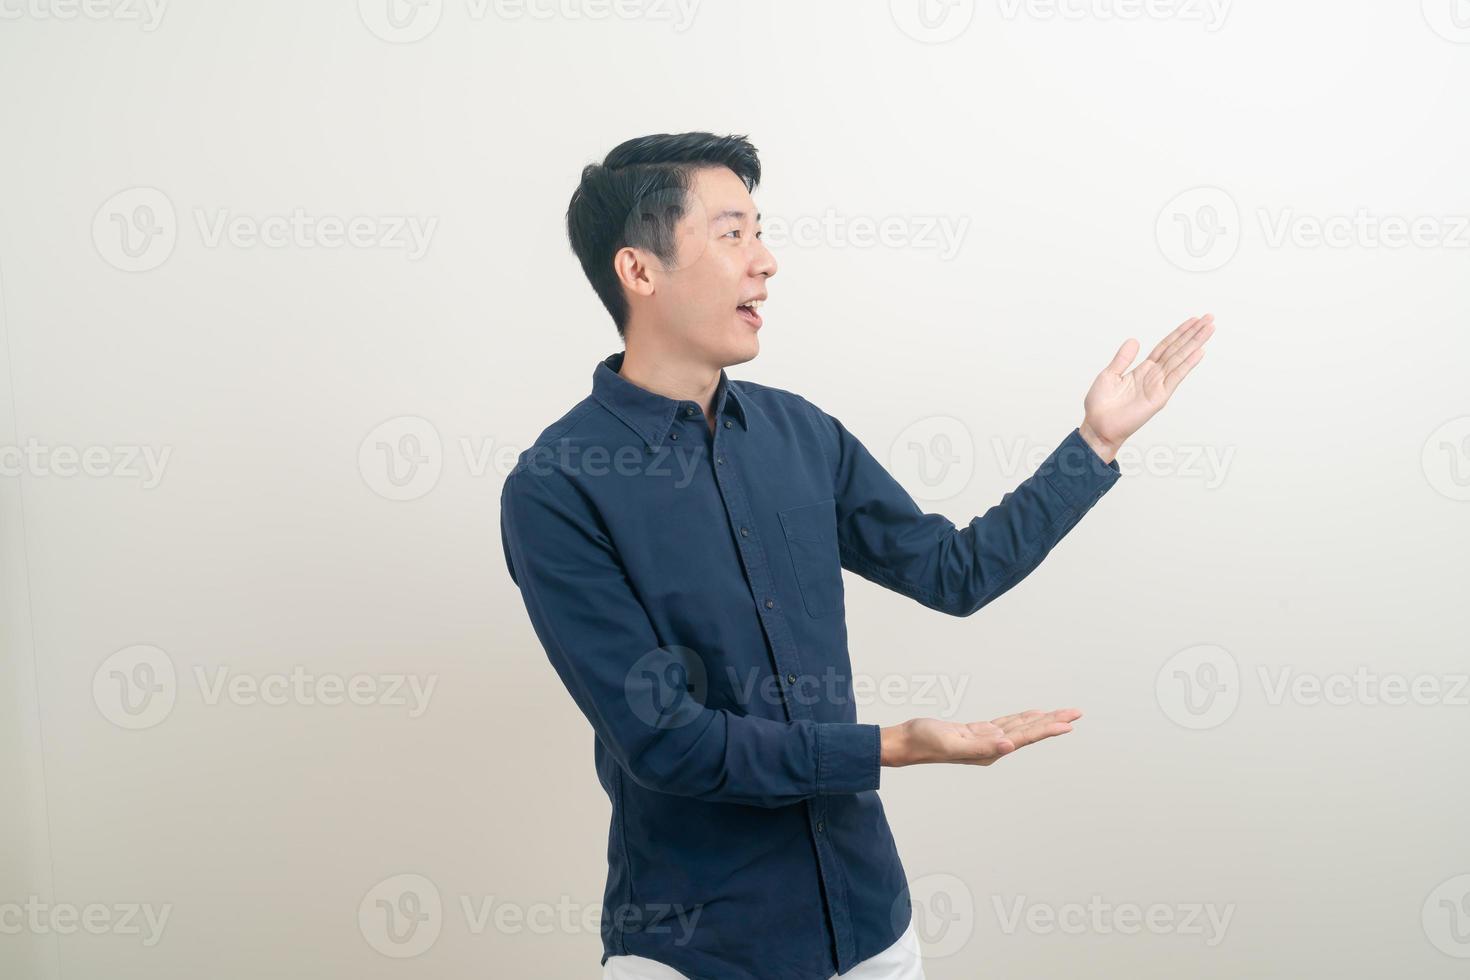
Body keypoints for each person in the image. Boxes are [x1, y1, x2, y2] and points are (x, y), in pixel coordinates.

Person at [499, 132, 1216, 980]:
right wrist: (892, 746)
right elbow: (667, 745)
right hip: (697, 949)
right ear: (640, 272)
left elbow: (954, 571)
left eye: (759, 230)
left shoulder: (801, 432)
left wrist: (1093, 443)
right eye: (732, 234)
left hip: (873, 928)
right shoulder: (556, 487)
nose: (766, 261)